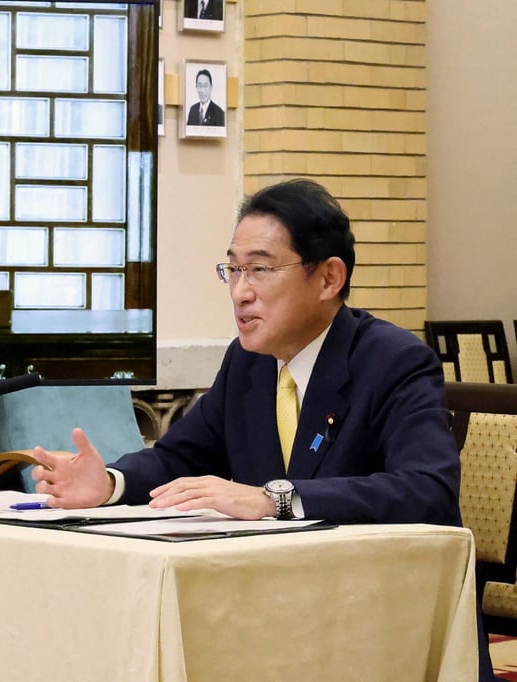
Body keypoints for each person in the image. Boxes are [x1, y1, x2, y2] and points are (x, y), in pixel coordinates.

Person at [31, 178, 496, 680]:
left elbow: (426, 489)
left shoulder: (394, 362)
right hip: (276, 615)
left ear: (328, 278)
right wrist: (110, 484)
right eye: (231, 269)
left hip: (377, 625)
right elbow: (179, 457)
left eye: (259, 269)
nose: (240, 291)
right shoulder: (247, 363)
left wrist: (273, 499)